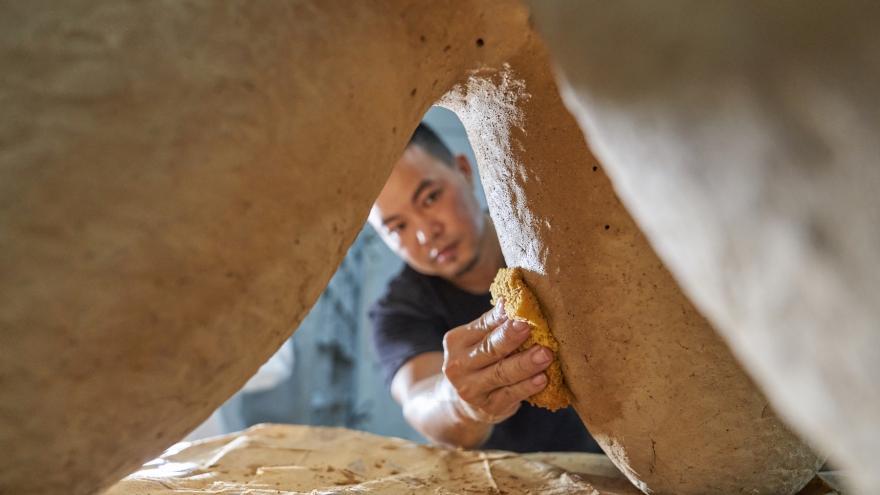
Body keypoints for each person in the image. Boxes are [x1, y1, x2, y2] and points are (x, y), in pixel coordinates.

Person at [368, 123, 601, 453]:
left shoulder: (552, 233)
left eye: (430, 198)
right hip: (519, 475)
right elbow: (418, 399)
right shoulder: (399, 312)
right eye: (398, 227)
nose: (426, 234)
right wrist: (458, 402)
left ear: (465, 171)